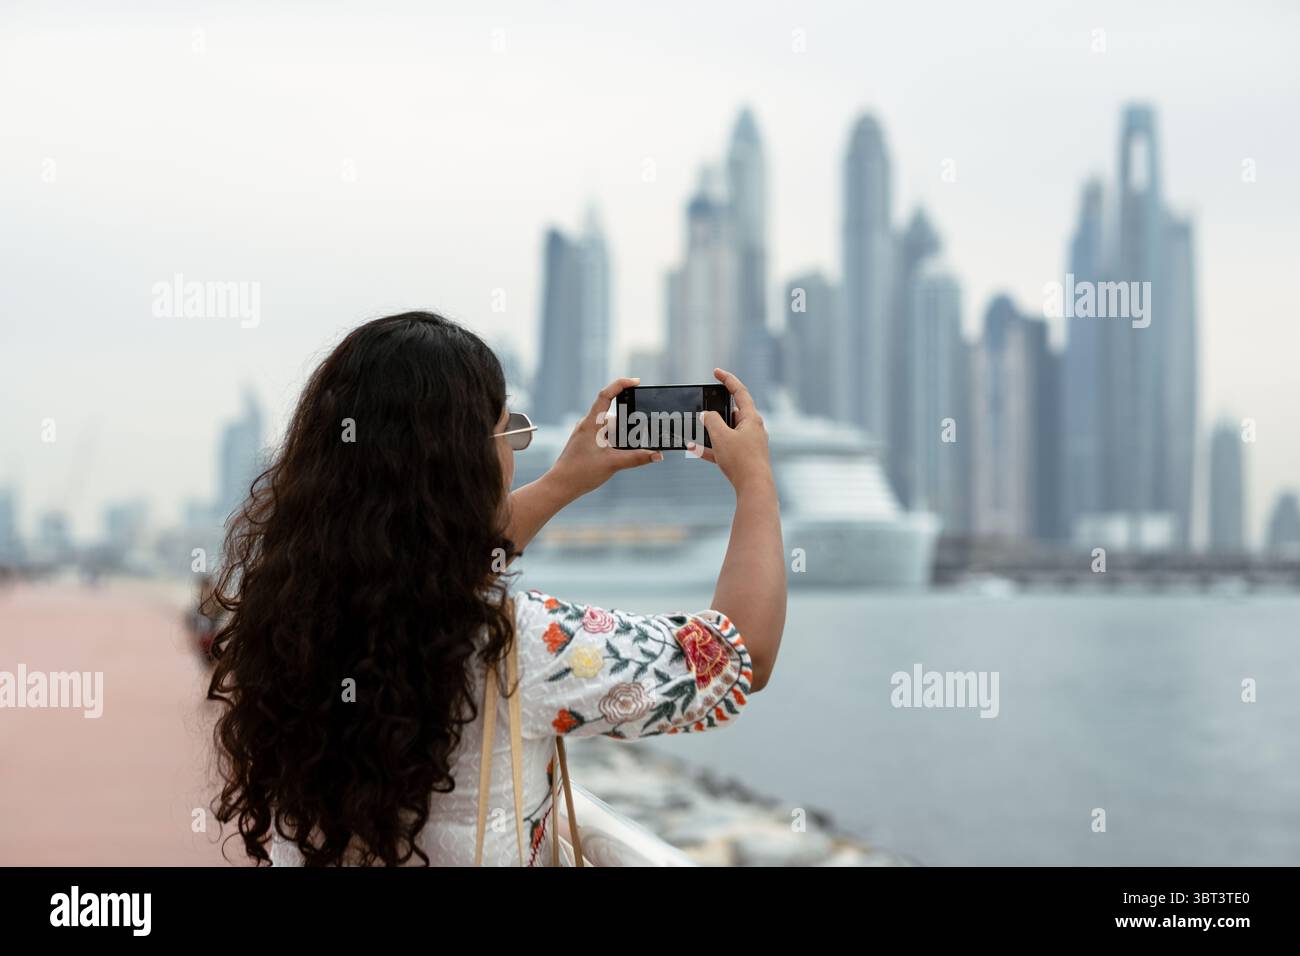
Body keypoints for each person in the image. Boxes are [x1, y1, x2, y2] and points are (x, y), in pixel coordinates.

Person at [206, 311, 785, 866]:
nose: (513, 450)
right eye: (508, 430)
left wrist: (561, 484)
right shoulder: (519, 645)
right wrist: (755, 478)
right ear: (466, 463)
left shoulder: (287, 617)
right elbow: (741, 655)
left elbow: (419, 560)